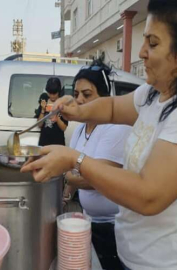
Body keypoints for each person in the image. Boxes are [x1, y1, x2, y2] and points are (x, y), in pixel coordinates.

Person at [22, 0, 177, 269]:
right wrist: (75, 110)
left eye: (153, 43)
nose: (142, 52)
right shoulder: (154, 94)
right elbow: (113, 107)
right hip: (134, 259)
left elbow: (148, 195)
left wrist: (75, 160)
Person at [63, 60, 131, 270]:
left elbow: (97, 179)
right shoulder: (80, 130)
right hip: (90, 220)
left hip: (113, 227)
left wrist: (70, 172)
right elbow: (75, 175)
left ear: (103, 98)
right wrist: (64, 197)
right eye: (76, 94)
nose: (79, 100)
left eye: (87, 94)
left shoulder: (115, 128)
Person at [36, 77, 68, 146]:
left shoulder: (63, 103)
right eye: (50, 93)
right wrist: (42, 110)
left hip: (58, 143)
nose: (52, 96)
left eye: (54, 93)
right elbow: (39, 125)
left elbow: (63, 128)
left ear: (58, 91)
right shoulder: (44, 101)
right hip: (44, 143)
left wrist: (57, 119)